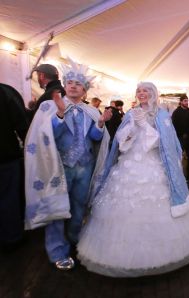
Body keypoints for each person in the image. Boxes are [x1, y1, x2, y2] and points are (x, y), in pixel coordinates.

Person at [77, 82, 189, 277]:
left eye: (146, 91)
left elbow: (163, 144)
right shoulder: (130, 113)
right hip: (129, 164)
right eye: (139, 91)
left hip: (152, 165)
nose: (142, 93)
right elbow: (121, 140)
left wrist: (145, 125)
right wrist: (133, 126)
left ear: (153, 94)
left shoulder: (161, 115)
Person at [24, 58, 112, 270]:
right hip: (59, 168)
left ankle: (75, 239)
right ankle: (57, 250)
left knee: (79, 205)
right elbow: (46, 137)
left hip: (85, 167)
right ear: (64, 85)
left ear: (85, 90)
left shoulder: (90, 111)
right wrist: (60, 114)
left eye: (78, 84)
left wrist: (100, 124)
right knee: (57, 208)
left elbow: (95, 138)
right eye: (70, 82)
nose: (73, 85)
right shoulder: (49, 106)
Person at [0, 83, 29, 252]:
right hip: (5, 156)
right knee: (8, 198)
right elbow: (22, 124)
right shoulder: (5, 92)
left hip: (6, 158)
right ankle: (11, 237)